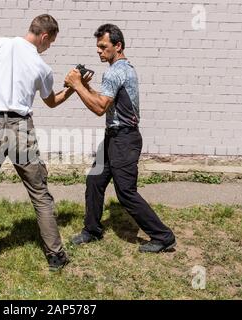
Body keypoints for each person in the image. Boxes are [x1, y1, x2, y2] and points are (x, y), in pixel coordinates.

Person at [0, 14, 88, 280]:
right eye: (50, 44)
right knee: (40, 195)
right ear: (44, 36)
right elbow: (52, 101)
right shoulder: (41, 66)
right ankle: (56, 255)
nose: (47, 48)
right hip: (20, 130)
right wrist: (75, 87)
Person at [64, 24, 176, 253]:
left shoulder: (115, 71)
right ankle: (92, 230)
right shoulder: (122, 69)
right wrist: (85, 86)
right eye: (97, 46)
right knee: (95, 180)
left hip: (124, 139)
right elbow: (106, 100)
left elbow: (99, 108)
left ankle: (163, 236)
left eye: (103, 46)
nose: (99, 51)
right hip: (115, 138)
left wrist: (77, 86)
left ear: (118, 46)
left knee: (126, 193)